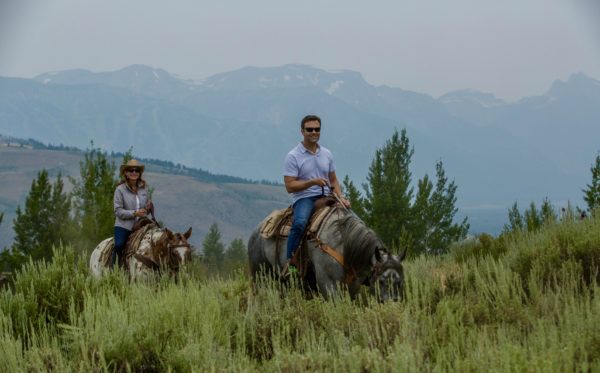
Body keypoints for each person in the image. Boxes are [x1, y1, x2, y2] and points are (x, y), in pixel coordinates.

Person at [283, 115, 350, 275]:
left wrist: (341, 198)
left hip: (327, 196)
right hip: (304, 198)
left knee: (352, 221)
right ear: (302, 131)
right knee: (299, 224)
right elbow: (290, 186)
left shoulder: (326, 153)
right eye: (309, 129)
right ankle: (290, 263)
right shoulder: (293, 156)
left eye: (317, 129)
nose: (314, 132)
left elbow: (333, 180)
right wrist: (311, 183)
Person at [112, 159, 152, 267]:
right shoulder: (120, 190)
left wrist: (148, 209)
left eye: (137, 170)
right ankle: (113, 269)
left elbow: (145, 209)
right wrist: (135, 213)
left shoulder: (144, 189)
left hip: (141, 224)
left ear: (139, 173)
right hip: (124, 226)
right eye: (131, 170)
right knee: (119, 245)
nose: (134, 172)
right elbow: (118, 211)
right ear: (126, 173)